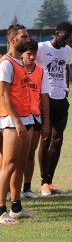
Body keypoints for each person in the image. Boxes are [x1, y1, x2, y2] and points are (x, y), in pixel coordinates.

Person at [0, 24, 35, 225]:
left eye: (27, 35)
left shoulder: (20, 62)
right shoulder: (6, 64)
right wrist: (17, 121)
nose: (27, 38)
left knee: (21, 164)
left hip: (26, 118)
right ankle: (0, 211)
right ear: (13, 40)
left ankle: (16, 207)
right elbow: (4, 96)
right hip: (13, 121)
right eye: (24, 36)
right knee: (9, 164)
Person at [36, 21, 72, 196]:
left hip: (61, 98)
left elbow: (66, 67)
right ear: (57, 33)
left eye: (69, 38)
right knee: (45, 138)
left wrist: (66, 88)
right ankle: (43, 182)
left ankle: (50, 181)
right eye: (64, 37)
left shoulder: (68, 51)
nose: (66, 41)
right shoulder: (42, 48)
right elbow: (29, 64)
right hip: (45, 98)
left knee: (58, 140)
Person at [21, 39, 50, 199]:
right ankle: (10, 189)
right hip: (19, 117)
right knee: (13, 156)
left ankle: (27, 188)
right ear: (22, 54)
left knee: (30, 153)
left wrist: (46, 122)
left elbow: (44, 98)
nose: (32, 57)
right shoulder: (15, 69)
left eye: (34, 54)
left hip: (35, 116)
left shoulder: (41, 71)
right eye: (29, 54)